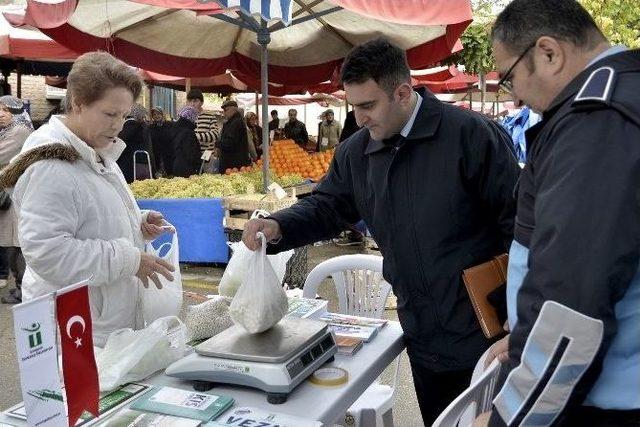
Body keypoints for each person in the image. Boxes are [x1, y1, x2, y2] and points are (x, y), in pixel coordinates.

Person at [242, 37, 520, 425]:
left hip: (486, 335)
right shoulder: (356, 153)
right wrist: (278, 225)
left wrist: (525, 312)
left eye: (368, 106)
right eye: (353, 105)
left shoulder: (470, 135)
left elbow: (522, 223)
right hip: (422, 334)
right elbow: (328, 206)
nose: (359, 118)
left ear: (403, 93)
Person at [472, 1, 640, 426]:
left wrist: (508, 417)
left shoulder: (597, 121)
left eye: (509, 77)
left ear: (548, 53)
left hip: (605, 398)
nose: (515, 96)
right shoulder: (618, 95)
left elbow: (572, 301)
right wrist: (525, 340)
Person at [0, 52, 175, 347]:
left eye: (124, 115)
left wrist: (136, 223)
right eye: (110, 114)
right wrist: (129, 259)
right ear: (78, 103)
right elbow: (49, 253)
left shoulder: (96, 149)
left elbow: (88, 214)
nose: (118, 125)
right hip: (75, 329)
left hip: (97, 322)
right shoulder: (50, 165)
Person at [0, 96, 32, 304]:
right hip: (10, 193)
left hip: (15, 196)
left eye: (5, 110)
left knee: (18, 245)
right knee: (13, 244)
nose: (1, 114)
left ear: (15, 112)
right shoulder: (9, 130)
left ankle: (24, 290)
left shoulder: (20, 131)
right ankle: (21, 287)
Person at [117, 103, 153, 183]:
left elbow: (121, 141)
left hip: (128, 162)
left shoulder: (129, 125)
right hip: (141, 161)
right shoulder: (142, 126)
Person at [218, 99, 250, 173]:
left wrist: (217, 144)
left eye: (226, 110)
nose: (224, 113)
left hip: (233, 164)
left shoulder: (236, 122)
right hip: (233, 164)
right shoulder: (233, 121)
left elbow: (230, 143)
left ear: (234, 109)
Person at [170, 106, 201, 177]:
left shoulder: (176, 129)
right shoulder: (188, 133)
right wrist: (200, 159)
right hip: (187, 168)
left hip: (177, 165)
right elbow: (190, 153)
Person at [148, 106, 173, 176]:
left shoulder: (169, 125)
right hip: (156, 156)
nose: (156, 116)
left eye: (158, 114)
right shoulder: (150, 127)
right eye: (154, 114)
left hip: (168, 155)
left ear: (162, 114)